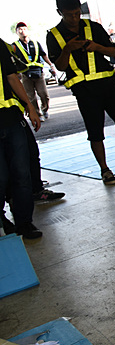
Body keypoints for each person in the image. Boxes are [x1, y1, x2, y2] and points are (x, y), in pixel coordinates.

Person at [45, 0, 115, 185]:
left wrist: (97, 47)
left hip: (108, 84)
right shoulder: (54, 36)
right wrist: (68, 49)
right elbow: (60, 67)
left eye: (77, 13)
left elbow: (114, 52)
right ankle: (105, 170)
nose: (74, 18)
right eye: (69, 14)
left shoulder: (93, 27)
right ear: (60, 12)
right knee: (95, 132)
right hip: (84, 91)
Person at [0, 37, 43, 240]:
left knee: (21, 173)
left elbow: (12, 77)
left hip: (10, 117)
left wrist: (29, 105)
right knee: (1, 177)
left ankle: (24, 222)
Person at [12, 22, 58, 120]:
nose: (22, 31)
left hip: (38, 73)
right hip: (25, 75)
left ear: (27, 30)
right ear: (16, 32)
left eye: (24, 29)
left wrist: (51, 65)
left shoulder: (35, 43)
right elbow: (12, 60)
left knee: (44, 94)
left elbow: (44, 55)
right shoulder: (14, 46)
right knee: (30, 97)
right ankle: (38, 114)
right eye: (19, 29)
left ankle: (44, 109)